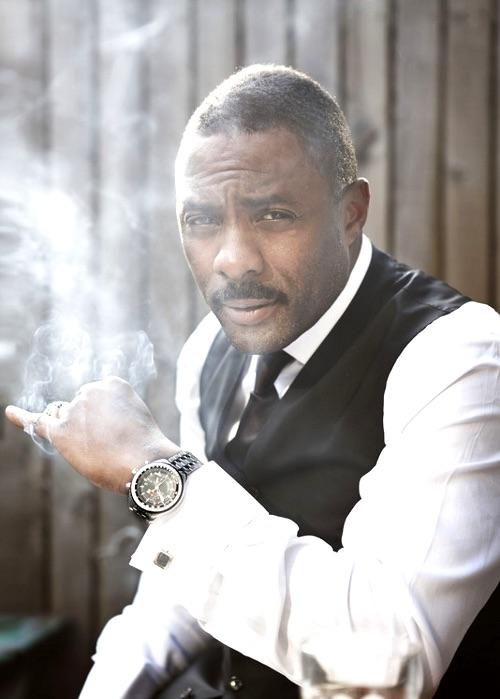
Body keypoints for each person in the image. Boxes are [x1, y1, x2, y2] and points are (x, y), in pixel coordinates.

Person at [5, 65, 500, 699]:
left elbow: (390, 662)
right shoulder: (209, 350)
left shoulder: (456, 356)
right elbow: (178, 594)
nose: (232, 259)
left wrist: (156, 470)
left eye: (273, 214)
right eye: (201, 220)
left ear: (351, 213)